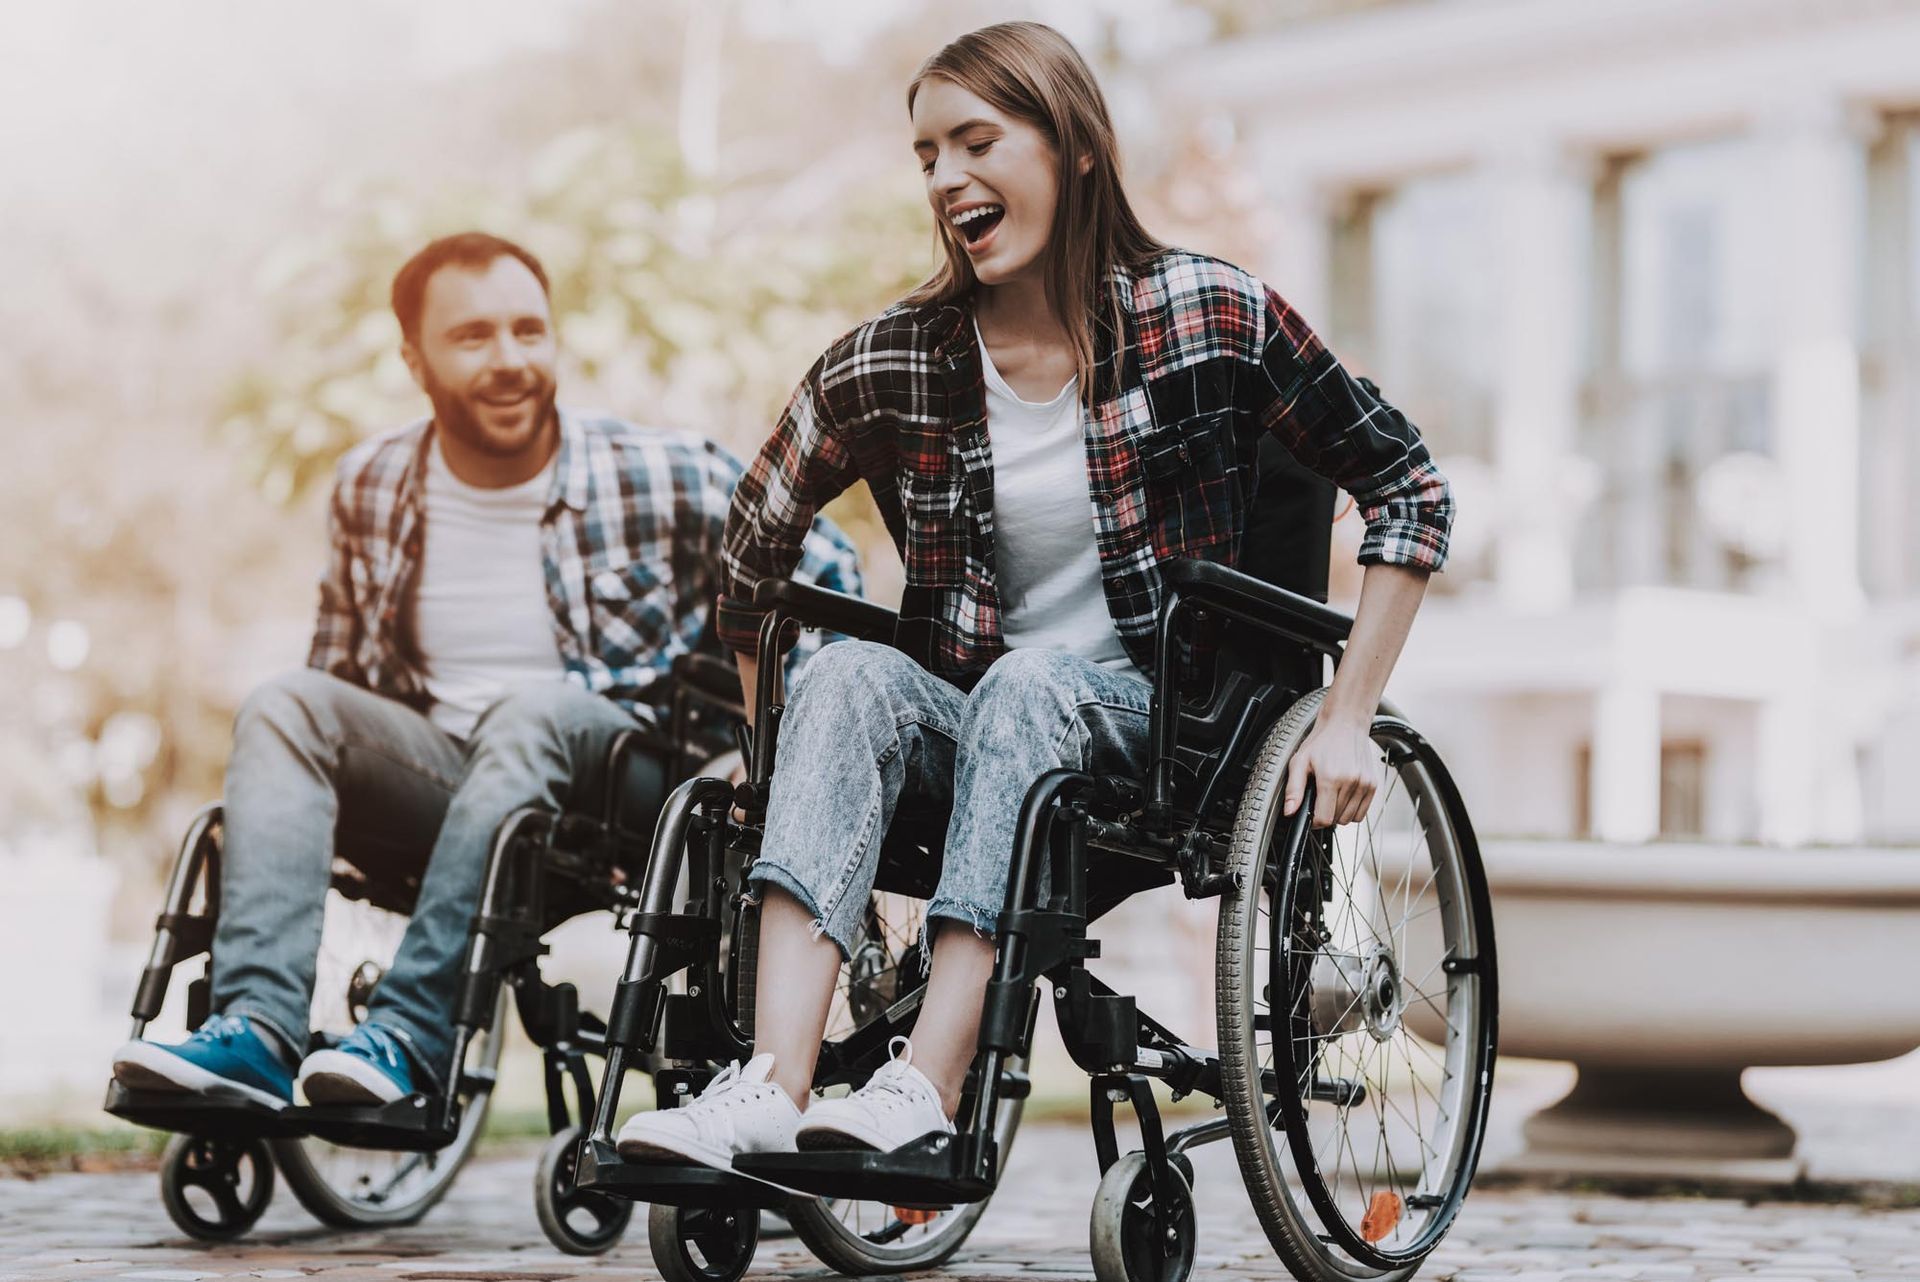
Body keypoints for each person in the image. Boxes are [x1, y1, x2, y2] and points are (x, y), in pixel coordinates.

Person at [614, 20, 1453, 1168]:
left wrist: (1350, 715)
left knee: (1030, 682)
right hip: (983, 726)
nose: (947, 178)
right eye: (925, 157)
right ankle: (770, 1083)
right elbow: (754, 551)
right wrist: (775, 756)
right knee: (852, 670)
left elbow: (1405, 485)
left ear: (1074, 149)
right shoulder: (895, 358)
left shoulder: (1206, 313)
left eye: (975, 142)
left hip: (1168, 735)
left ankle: (927, 1086)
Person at [111, 232, 861, 1112]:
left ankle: (411, 1036)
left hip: (624, 790)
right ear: (412, 357)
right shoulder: (373, 484)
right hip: (456, 790)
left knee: (533, 709)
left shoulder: (661, 472)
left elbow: (831, 579)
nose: (510, 360)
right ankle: (260, 1031)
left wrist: (767, 753)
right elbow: (343, 678)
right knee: (285, 704)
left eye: (528, 331)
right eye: (472, 337)